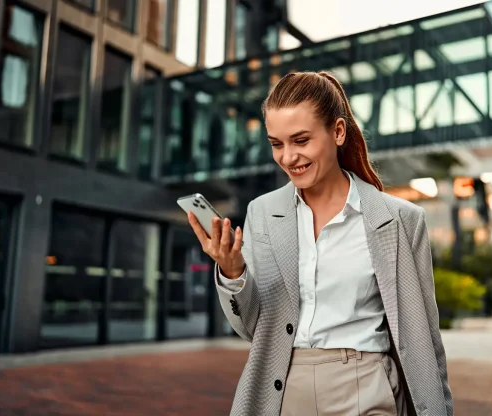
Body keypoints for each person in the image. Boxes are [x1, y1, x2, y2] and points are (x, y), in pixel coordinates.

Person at [187, 71, 453, 416]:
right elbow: (252, 328)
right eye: (276, 144)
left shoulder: (401, 220)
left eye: (301, 140)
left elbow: (425, 336)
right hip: (283, 388)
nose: (287, 157)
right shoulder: (263, 214)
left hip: (366, 386)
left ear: (338, 132)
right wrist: (233, 271)